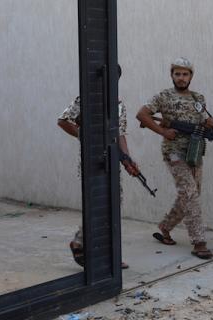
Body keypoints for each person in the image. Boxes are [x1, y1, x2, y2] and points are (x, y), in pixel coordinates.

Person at [57, 65, 138, 268]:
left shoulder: (118, 104)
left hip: (111, 160)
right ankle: (96, 250)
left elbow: (119, 134)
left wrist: (127, 159)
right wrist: (85, 136)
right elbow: (63, 120)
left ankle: (84, 243)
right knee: (99, 205)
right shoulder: (85, 99)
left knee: (112, 205)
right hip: (92, 160)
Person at [136, 57, 213, 259]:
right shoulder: (163, 96)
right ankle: (199, 241)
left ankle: (165, 226)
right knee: (190, 194)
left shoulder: (199, 98)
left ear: (191, 76)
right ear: (172, 75)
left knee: (191, 193)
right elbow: (142, 115)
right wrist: (163, 132)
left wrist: (210, 124)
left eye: (185, 74)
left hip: (195, 151)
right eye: (177, 74)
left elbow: (203, 120)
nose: (181, 78)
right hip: (174, 152)